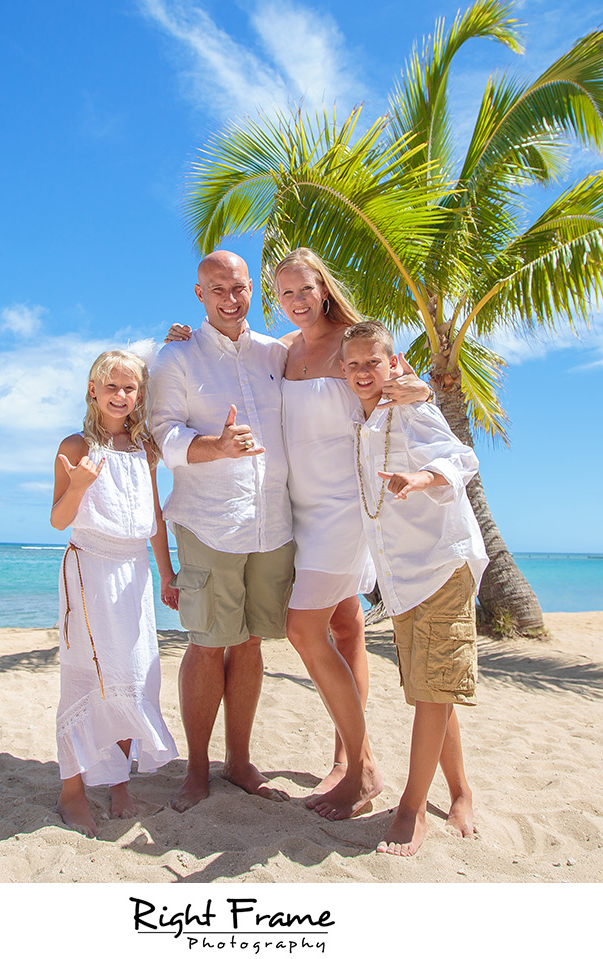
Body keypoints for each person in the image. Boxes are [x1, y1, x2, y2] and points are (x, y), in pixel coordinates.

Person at [165, 248, 431, 821]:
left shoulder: (351, 344)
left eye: (304, 290)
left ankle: (357, 764)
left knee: (317, 626)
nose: (296, 302)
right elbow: (218, 360)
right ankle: (351, 758)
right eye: (284, 294)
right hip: (293, 507)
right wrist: (182, 340)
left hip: (342, 504)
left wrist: (423, 390)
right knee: (342, 622)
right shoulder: (279, 349)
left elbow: (401, 384)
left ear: (325, 287)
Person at [147, 251, 294, 812]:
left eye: (238, 288)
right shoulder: (176, 355)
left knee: (253, 642)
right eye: (217, 289)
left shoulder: (276, 353)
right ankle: (197, 768)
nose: (230, 299)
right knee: (208, 645)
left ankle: (238, 762)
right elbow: (162, 434)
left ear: (251, 288)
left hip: (273, 521)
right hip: (209, 520)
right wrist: (217, 446)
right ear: (198, 294)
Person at [340, 318, 487, 856]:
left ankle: (413, 808)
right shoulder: (359, 414)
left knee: (432, 691)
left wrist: (418, 479)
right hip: (400, 575)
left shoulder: (411, 406)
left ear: (393, 362)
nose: (362, 372)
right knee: (432, 688)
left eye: (372, 363)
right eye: (352, 364)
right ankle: (461, 791)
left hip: (442, 565)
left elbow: (460, 458)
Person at [50, 349, 178, 837]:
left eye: (130, 388)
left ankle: (119, 781)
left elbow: (155, 520)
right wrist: (79, 485)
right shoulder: (76, 445)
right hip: (90, 573)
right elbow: (60, 519)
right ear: (93, 389)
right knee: (86, 680)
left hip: (135, 575)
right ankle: (72, 790)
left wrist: (166, 574)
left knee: (134, 675)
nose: (121, 396)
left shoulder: (145, 448)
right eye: (112, 387)